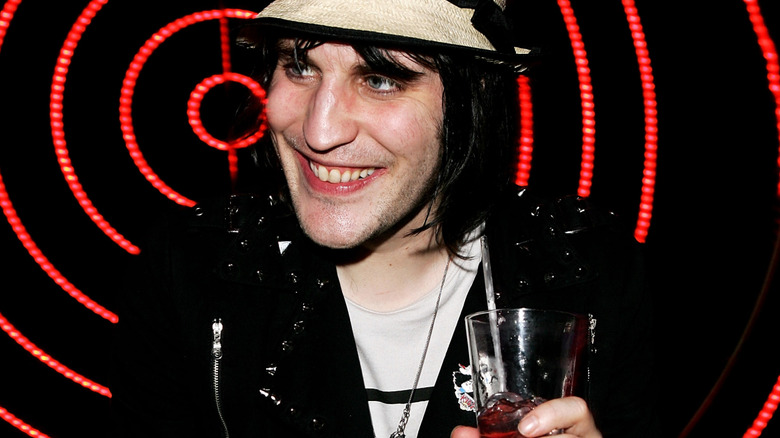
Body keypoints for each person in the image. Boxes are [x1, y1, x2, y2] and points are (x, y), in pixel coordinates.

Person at [110, 0, 658, 437]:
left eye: (380, 78)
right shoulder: (190, 273)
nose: (320, 132)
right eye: (299, 66)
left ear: (476, 97)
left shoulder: (590, 277)